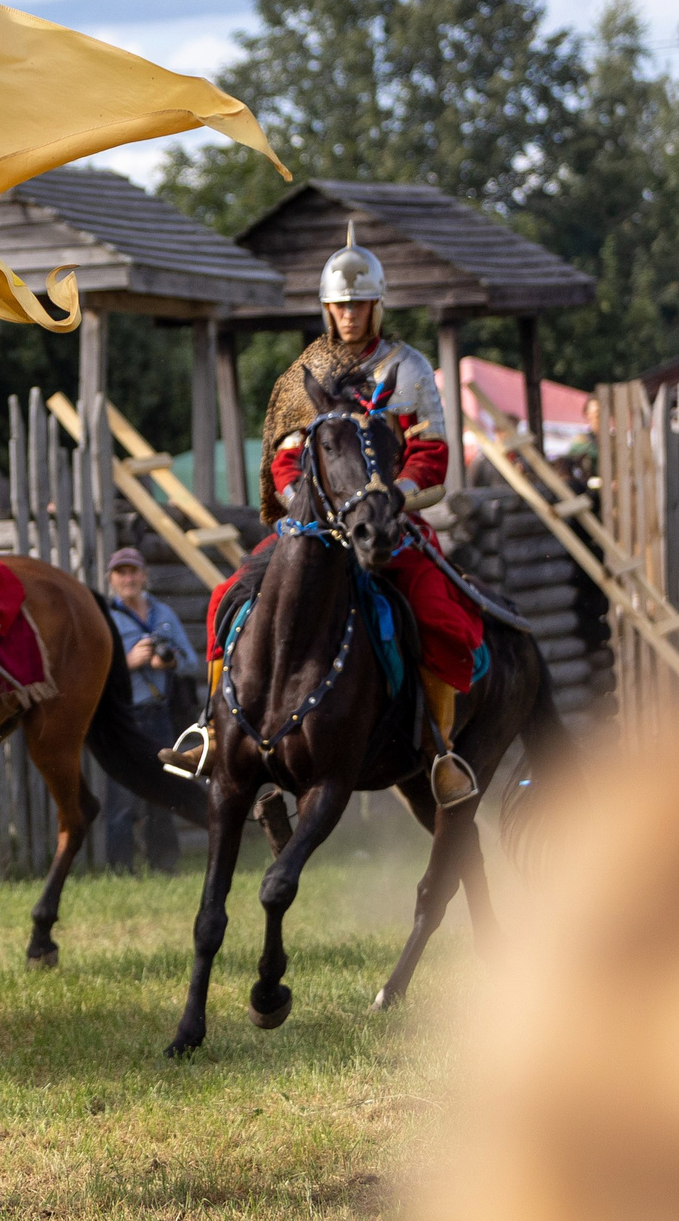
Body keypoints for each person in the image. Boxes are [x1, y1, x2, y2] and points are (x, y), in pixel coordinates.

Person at [203, 226, 485, 810]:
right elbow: (285, 461)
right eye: (340, 306)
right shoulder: (303, 375)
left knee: (438, 616)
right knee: (225, 599)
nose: (349, 315)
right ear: (327, 309)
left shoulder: (408, 368)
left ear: (377, 306)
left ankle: (440, 749)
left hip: (389, 528)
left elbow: (431, 456)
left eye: (359, 304)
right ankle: (210, 731)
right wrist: (302, 503)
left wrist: (390, 500)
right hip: (313, 530)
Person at [102, 548, 193, 874]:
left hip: (159, 715)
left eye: (133, 571)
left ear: (144, 576)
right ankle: (120, 869)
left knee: (164, 791)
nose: (128, 578)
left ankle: (164, 864)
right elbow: (95, 671)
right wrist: (128, 662)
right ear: (112, 579)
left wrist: (168, 662)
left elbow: (190, 661)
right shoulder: (107, 617)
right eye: (121, 572)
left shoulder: (164, 613)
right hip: (123, 718)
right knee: (122, 797)